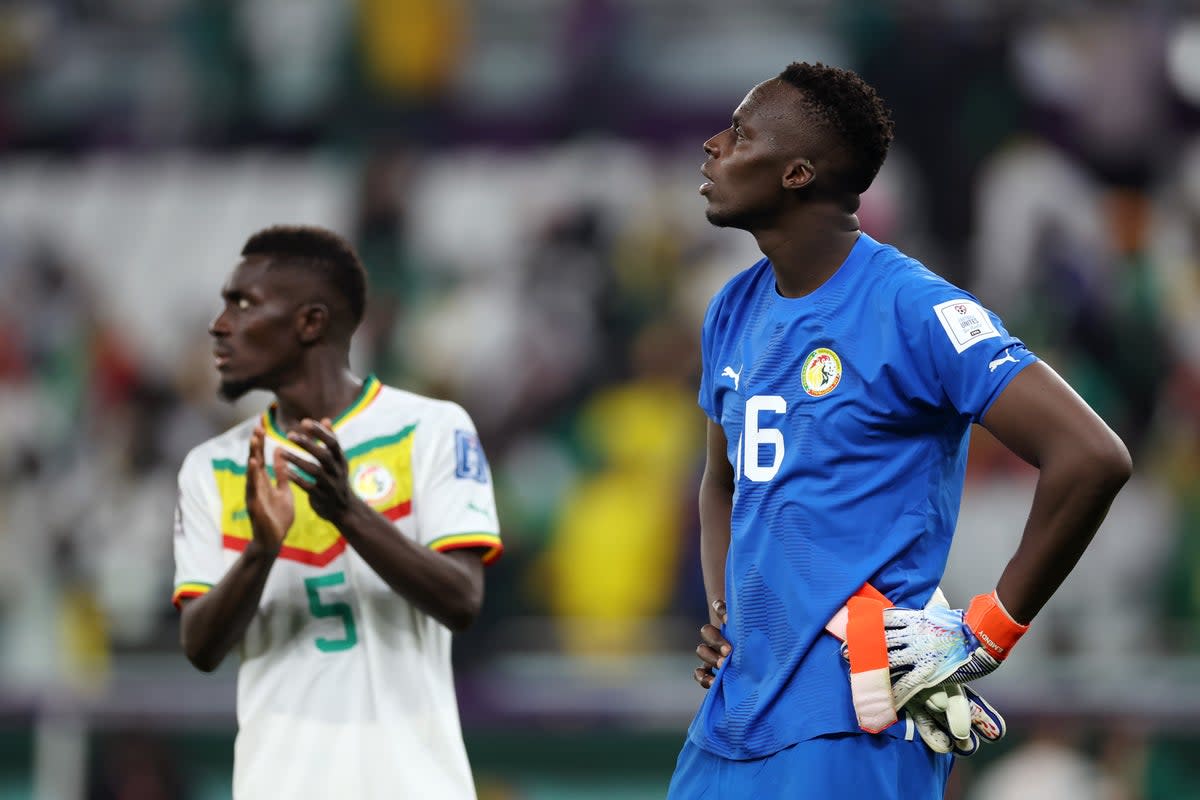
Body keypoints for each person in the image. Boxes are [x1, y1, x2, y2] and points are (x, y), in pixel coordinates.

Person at [669, 62, 1132, 798]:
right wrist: (727, 611)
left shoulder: (911, 307)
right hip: (729, 722)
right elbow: (721, 482)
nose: (713, 144)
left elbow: (1091, 455)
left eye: (741, 133)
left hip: (852, 721)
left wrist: (986, 633)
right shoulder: (731, 307)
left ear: (796, 173)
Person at [171, 225, 501, 799]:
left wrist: (347, 512)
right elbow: (200, 648)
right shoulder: (213, 467)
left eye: (243, 303)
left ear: (310, 322)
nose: (219, 324)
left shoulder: (430, 429)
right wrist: (261, 551)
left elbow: (463, 600)